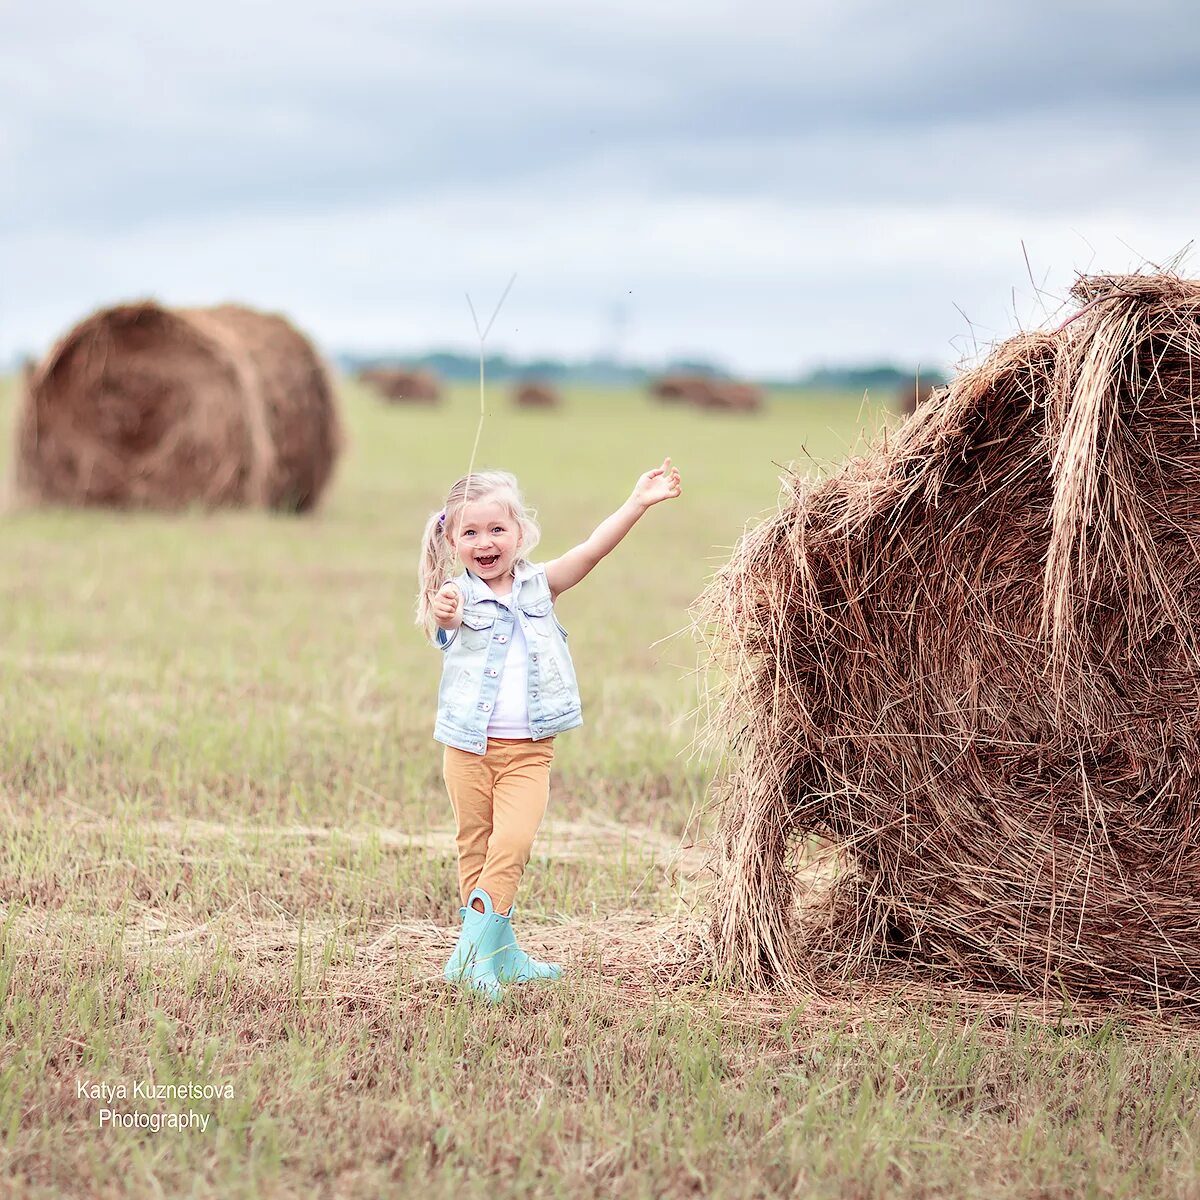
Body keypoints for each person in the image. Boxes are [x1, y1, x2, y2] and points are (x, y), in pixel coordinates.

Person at [416, 459, 683, 1002]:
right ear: (451, 540)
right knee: (477, 849)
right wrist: (444, 613)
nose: (485, 541)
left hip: (529, 752)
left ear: (520, 532)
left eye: (497, 529)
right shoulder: (455, 597)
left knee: (511, 845)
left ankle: (468, 955)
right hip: (466, 750)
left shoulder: (540, 585)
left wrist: (637, 502)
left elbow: (591, 550)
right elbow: (442, 625)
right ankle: (498, 954)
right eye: (469, 532)